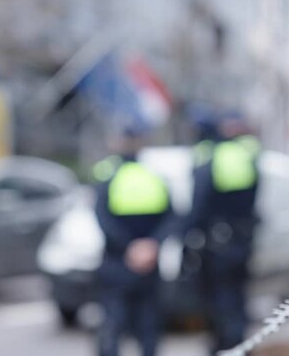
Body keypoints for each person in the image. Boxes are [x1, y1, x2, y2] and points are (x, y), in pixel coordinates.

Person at [182, 116, 261, 353]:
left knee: (219, 299)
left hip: (217, 243)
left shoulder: (212, 156)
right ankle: (240, 346)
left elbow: (200, 203)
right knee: (237, 297)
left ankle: (226, 347)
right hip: (242, 241)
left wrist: (188, 235)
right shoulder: (248, 156)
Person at [94, 128, 174, 356]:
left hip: (117, 262)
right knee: (148, 327)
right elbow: (172, 216)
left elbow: (102, 218)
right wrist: (151, 245)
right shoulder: (154, 176)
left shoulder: (108, 175)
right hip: (148, 265)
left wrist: (129, 247)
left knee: (112, 326)